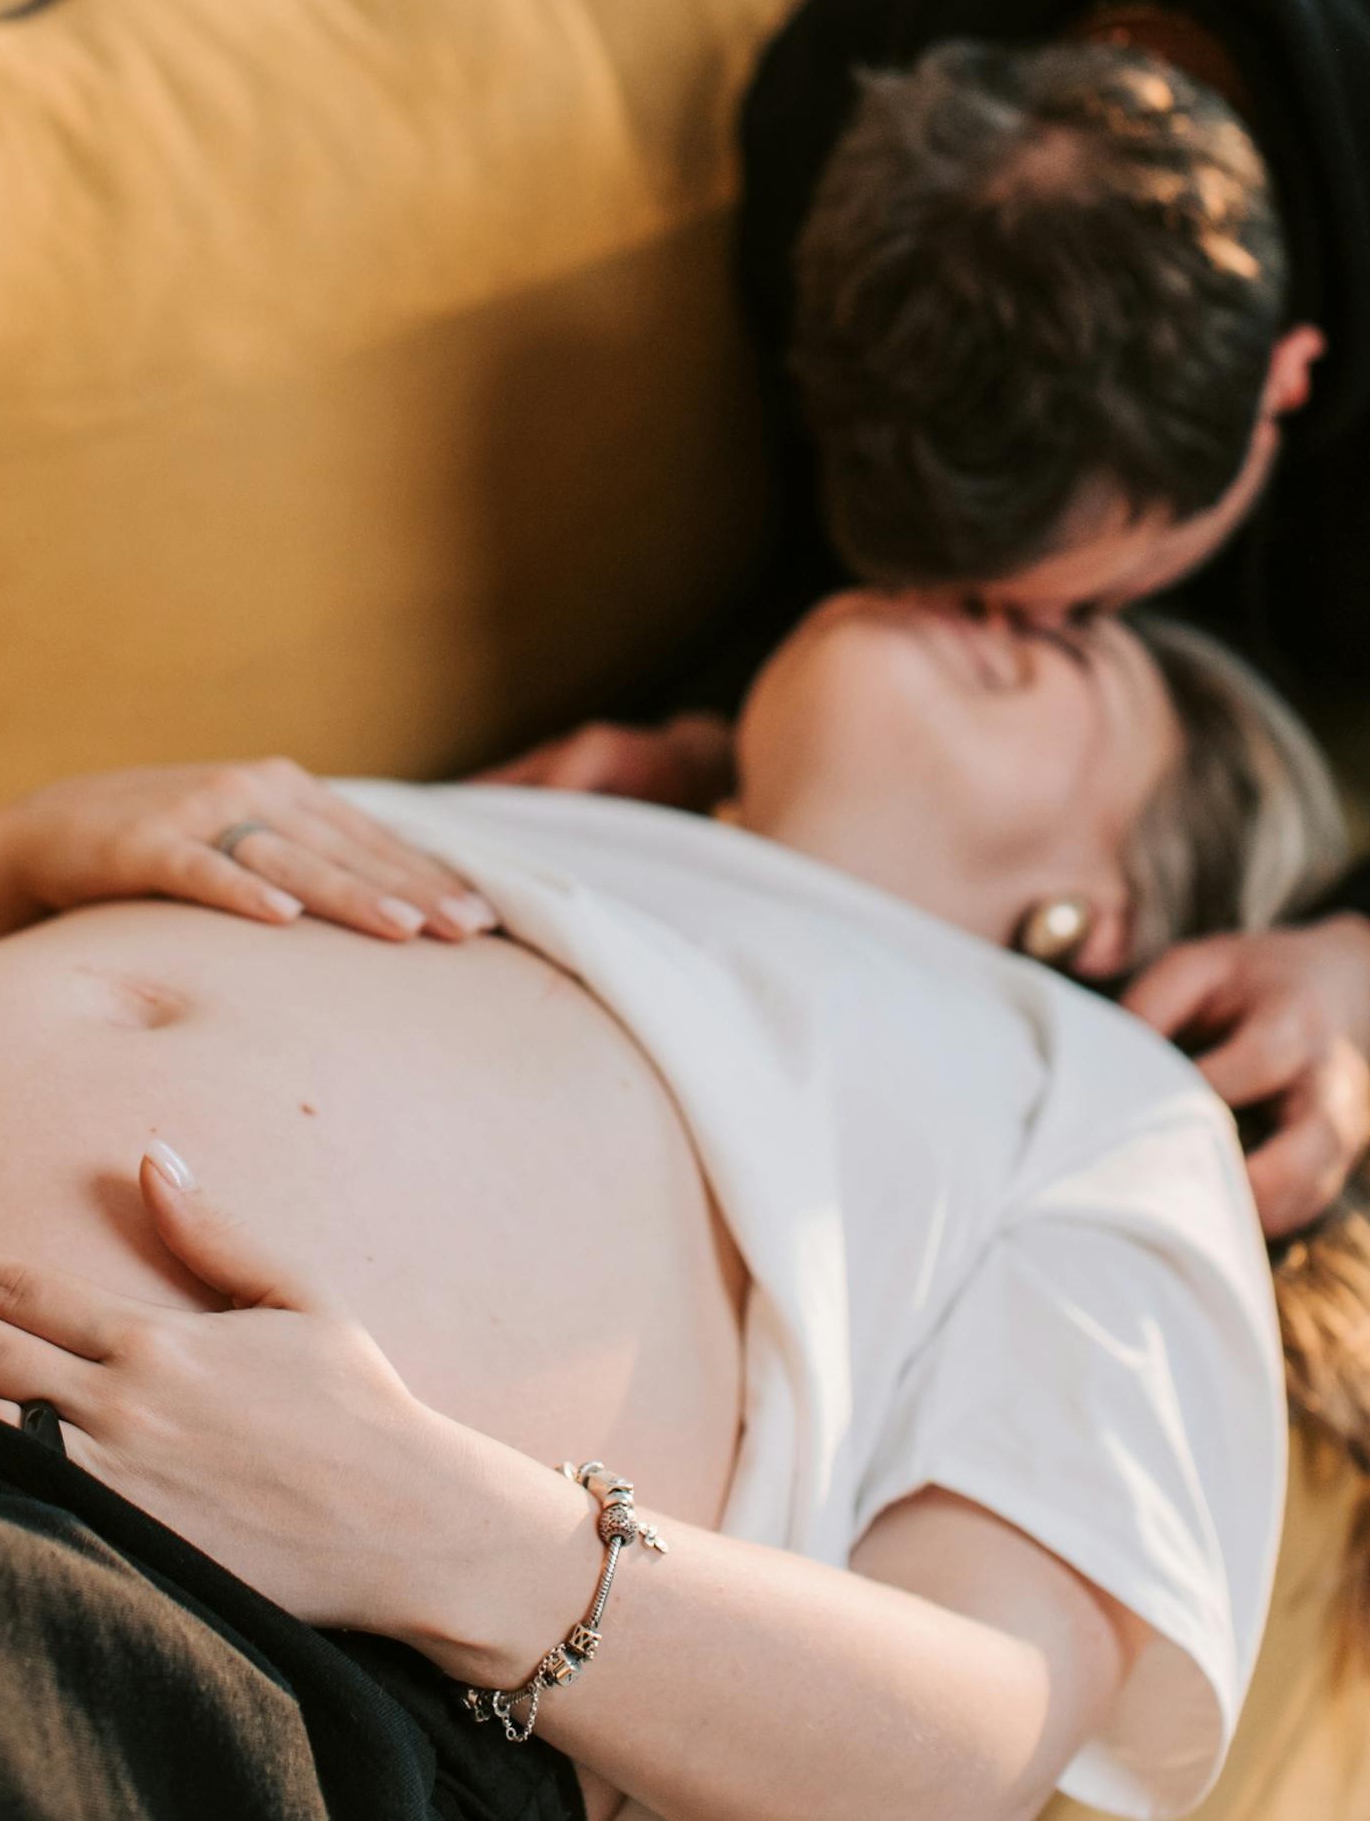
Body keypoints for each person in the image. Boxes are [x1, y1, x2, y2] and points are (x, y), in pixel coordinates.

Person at [0, 599, 1342, 1820]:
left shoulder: (1102, 1098)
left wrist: (451, 1530)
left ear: (1110, 909)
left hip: (175, 1611)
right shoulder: (525, 813)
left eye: (1084, 638)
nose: (1002, 587)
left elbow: (986, 1727)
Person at [488, 21, 1370, 1238]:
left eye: (1057, 622)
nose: (931, 625)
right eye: (932, 586)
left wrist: (1357, 963)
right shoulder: (831, 102)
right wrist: (721, 764)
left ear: (1287, 382)